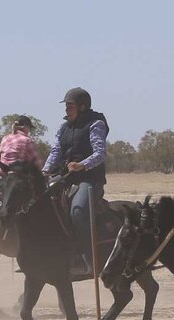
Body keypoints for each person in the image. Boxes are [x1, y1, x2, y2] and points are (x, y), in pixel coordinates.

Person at [42, 87, 109, 276]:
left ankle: (90, 260)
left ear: (82, 106)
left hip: (89, 180)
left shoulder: (96, 124)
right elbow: (56, 152)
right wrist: (45, 171)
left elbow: (100, 153)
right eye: (66, 107)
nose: (66, 110)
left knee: (78, 211)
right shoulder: (64, 127)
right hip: (64, 178)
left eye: (70, 106)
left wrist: (82, 165)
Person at [0, 115, 43, 193]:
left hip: (1, 181)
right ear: (25, 127)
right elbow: (37, 162)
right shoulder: (27, 141)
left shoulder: (5, 138)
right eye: (29, 128)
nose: (29, 130)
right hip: (17, 182)